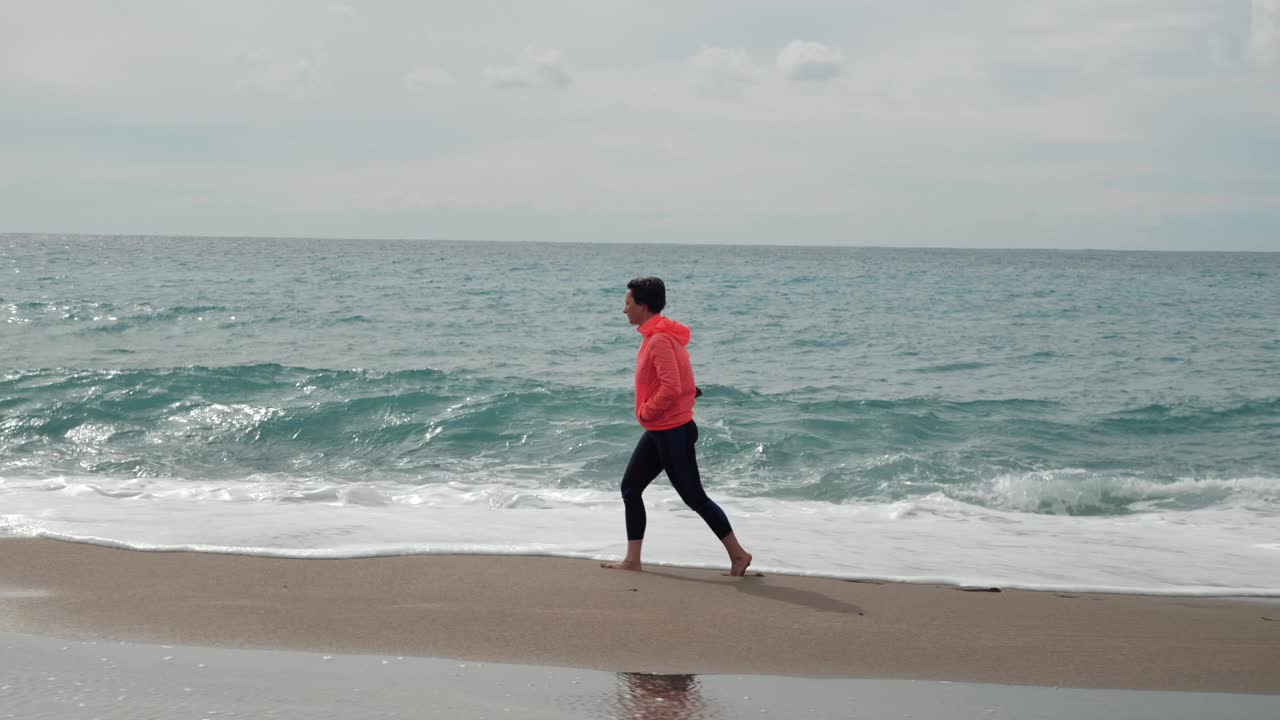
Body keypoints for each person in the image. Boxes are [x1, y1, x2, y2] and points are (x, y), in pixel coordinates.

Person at [601, 276, 753, 576]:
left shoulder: (659, 340)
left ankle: (739, 554)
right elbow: (684, 382)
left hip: (671, 431)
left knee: (694, 497)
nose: (624, 310)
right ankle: (633, 560)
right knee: (631, 488)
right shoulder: (659, 336)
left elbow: (671, 387)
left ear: (643, 306)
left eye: (628, 303)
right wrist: (678, 400)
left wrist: (647, 411)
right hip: (662, 430)